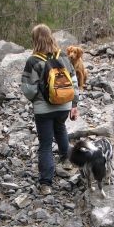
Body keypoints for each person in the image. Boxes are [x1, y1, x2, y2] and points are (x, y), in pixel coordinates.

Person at [21, 24, 79, 195]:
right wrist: (74, 104)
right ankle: (67, 160)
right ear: (51, 37)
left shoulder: (33, 60)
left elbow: (28, 89)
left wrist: (37, 100)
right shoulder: (63, 56)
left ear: (35, 40)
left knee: (45, 145)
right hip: (64, 106)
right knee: (60, 128)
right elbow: (74, 82)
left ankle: (46, 183)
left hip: (43, 110)